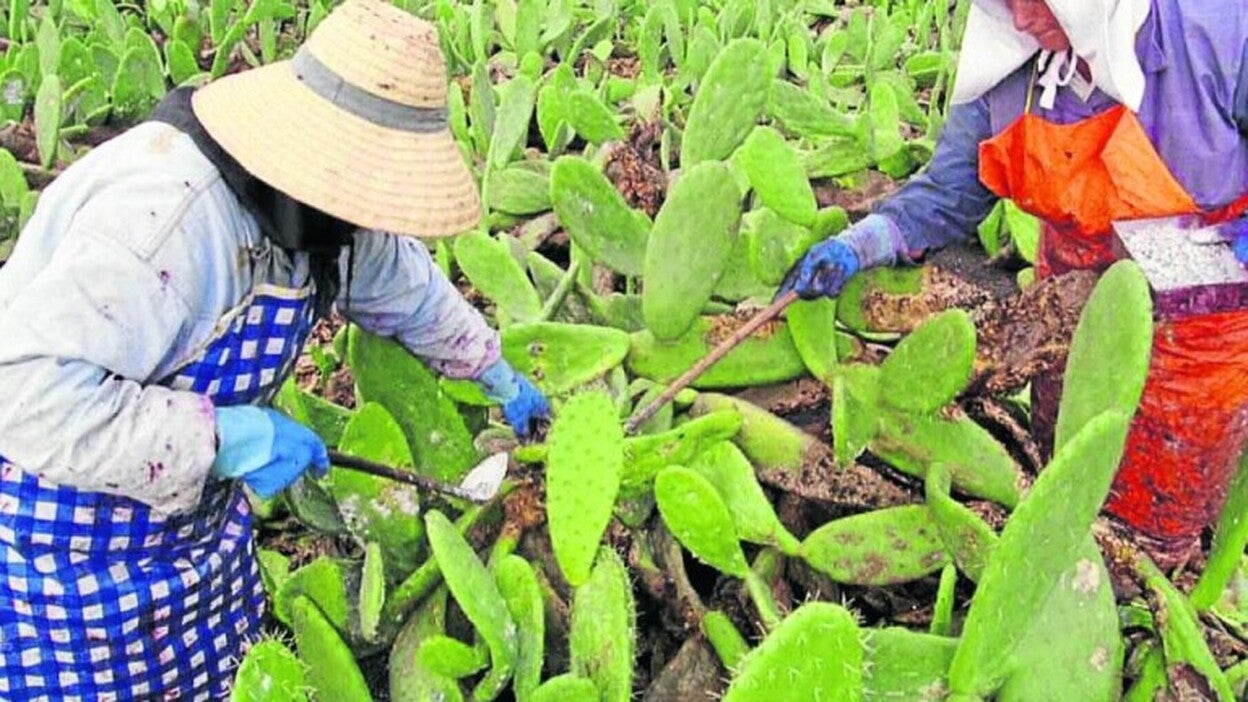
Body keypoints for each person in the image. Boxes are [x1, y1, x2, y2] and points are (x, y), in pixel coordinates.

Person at [0, 0, 550, 698]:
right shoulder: (163, 225)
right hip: (66, 549)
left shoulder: (326, 210)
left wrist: (492, 370)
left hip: (193, 534)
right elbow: (23, 395)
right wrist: (224, 437)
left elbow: (405, 288)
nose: (372, 217)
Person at [780, 0, 1248, 567]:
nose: (1021, 19)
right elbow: (949, 193)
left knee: (1158, 513)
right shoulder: (1010, 72)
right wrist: (862, 243)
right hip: (1070, 311)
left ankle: (1160, 583)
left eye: (1036, 0)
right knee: (1068, 468)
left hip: (1203, 332)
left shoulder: (1218, 33)